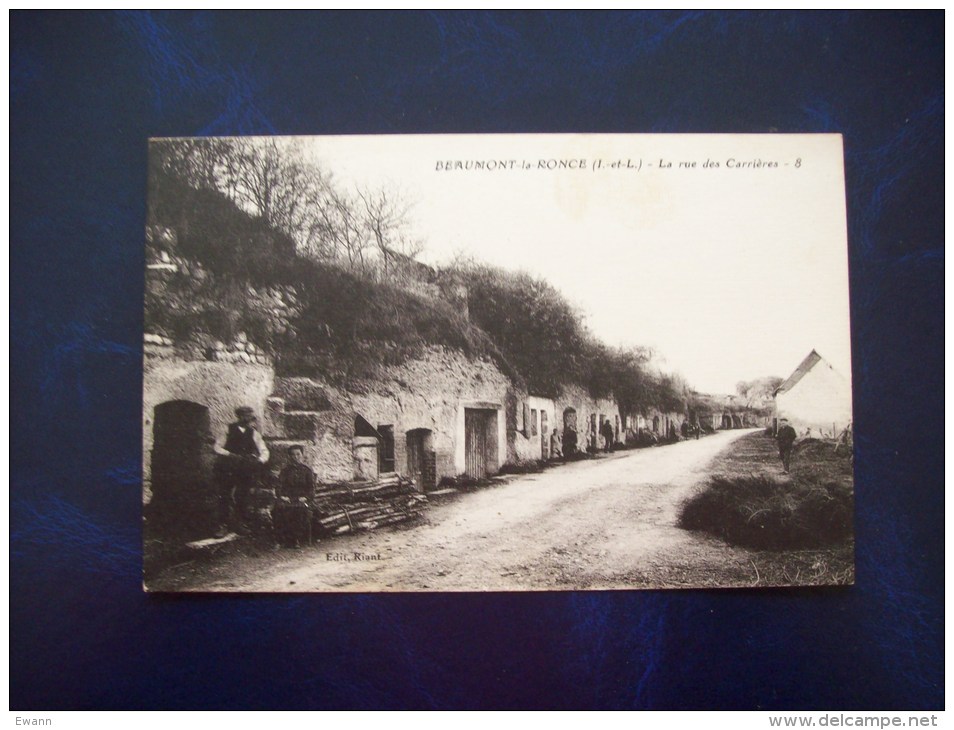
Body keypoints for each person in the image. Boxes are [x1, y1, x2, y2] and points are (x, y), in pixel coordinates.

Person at [213, 406, 270, 537]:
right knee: (224, 495)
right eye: (245, 415)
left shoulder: (254, 433)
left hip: (245, 469)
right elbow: (216, 447)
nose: (249, 418)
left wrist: (259, 460)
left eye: (250, 415)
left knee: (243, 496)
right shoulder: (228, 429)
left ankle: (239, 524)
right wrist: (229, 454)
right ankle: (222, 525)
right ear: (239, 416)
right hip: (227, 468)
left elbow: (264, 451)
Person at [274, 445, 316, 547]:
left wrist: (306, 497)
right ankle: (280, 540)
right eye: (292, 455)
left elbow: (312, 489)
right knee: (278, 509)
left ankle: (296, 539)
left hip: (302, 499)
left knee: (299, 510)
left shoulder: (307, 471)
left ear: (302, 455)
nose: (295, 457)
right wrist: (282, 496)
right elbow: (278, 486)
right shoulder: (285, 471)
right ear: (289, 456)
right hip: (288, 498)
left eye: (298, 454)